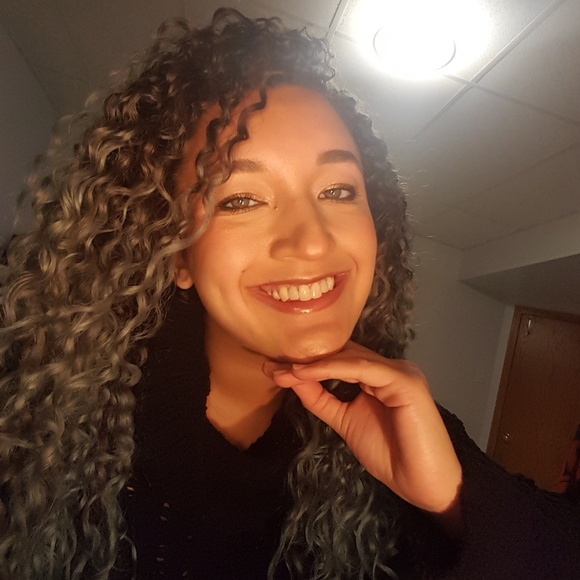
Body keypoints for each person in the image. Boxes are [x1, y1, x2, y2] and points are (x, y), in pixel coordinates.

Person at [0, 8, 578, 580]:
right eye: (241, 199)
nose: (312, 241)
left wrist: (451, 499)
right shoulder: (41, 410)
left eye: (338, 190)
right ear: (175, 252)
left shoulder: (399, 423)